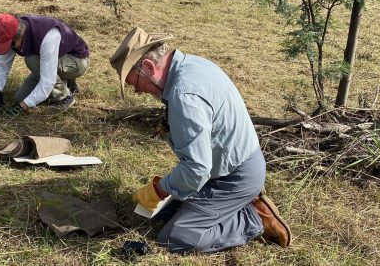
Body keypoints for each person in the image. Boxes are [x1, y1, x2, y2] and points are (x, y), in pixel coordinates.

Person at [109, 27, 291, 254]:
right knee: (164, 214)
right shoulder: (189, 65)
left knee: (174, 238)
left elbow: (197, 169)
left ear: (148, 67)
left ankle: (252, 218)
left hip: (235, 177)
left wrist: (160, 188)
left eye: (134, 82)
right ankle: (231, 207)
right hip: (223, 167)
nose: (137, 91)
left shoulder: (185, 97)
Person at [0, 13, 90, 114]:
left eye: (11, 44)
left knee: (32, 59)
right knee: (20, 98)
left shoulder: (48, 35)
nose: (11, 48)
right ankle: (65, 80)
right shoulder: (10, 32)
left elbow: (48, 81)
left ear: (20, 34)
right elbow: (1, 63)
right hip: (52, 60)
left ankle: (64, 97)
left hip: (77, 61)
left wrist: (24, 106)